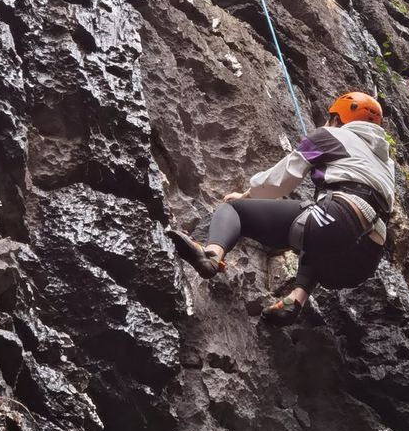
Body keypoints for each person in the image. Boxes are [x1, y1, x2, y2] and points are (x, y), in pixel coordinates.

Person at [168, 92, 395, 326]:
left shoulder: (331, 135)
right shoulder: (386, 163)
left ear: (338, 118)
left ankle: (212, 256)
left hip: (337, 220)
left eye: (330, 118)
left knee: (233, 210)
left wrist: (247, 195)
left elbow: (281, 180)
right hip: (365, 259)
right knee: (318, 233)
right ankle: (295, 300)